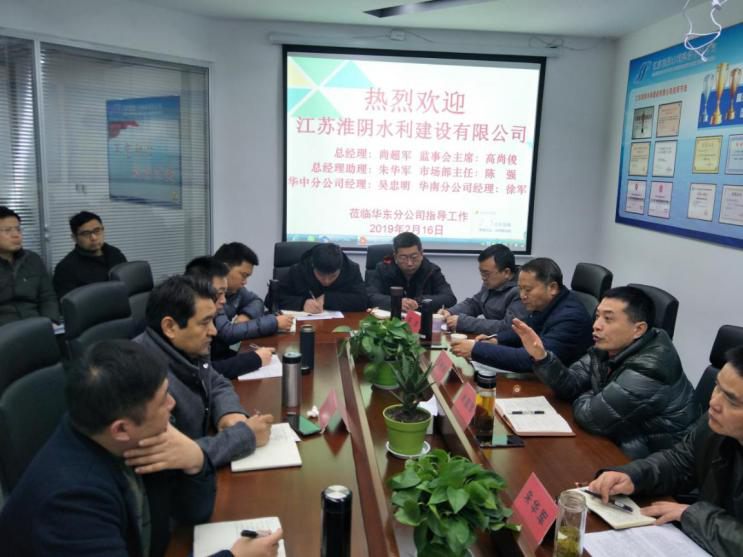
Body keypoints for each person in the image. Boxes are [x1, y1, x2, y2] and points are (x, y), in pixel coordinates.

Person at [0, 339, 282, 557]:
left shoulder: (130, 434)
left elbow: (193, 512)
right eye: (162, 400)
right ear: (121, 429)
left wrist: (195, 460)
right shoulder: (71, 504)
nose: (172, 404)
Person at [588, 345, 743, 556]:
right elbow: (680, 461)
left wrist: (694, 515)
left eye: (732, 400)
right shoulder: (714, 425)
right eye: (717, 387)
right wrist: (633, 476)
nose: (714, 402)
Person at [510, 286, 699, 458]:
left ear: (638, 329)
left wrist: (591, 394)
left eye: (608, 319)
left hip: (656, 463)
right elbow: (571, 384)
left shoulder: (651, 368)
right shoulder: (608, 348)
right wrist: (542, 356)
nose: (596, 325)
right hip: (620, 441)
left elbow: (591, 418)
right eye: (597, 316)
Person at [134, 275, 273, 467]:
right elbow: (168, 457)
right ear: (170, 327)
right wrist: (245, 436)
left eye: (213, 320)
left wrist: (229, 414)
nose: (214, 331)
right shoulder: (143, 379)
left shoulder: (187, 347)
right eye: (205, 322)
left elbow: (215, 381)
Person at [451, 257, 592, 373]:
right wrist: (496, 340)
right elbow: (524, 332)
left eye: (528, 290)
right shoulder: (548, 304)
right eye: (520, 289)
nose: (522, 295)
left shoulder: (570, 318)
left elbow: (533, 358)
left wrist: (476, 349)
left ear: (552, 288)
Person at [185, 255, 274, 379]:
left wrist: (246, 314)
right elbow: (202, 372)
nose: (224, 301)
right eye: (219, 293)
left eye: (224, 293)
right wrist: (254, 359)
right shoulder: (186, 319)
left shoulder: (214, 306)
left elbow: (214, 360)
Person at [213, 242, 293, 344]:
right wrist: (274, 323)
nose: (245, 282)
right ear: (224, 269)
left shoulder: (236, 289)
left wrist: (247, 315)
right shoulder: (209, 292)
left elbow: (257, 301)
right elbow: (226, 333)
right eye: (243, 275)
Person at [438, 243, 525, 335]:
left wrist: (463, 323)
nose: (483, 278)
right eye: (481, 273)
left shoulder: (522, 291)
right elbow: (474, 304)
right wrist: (450, 312)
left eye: (486, 273)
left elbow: (508, 327)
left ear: (506, 272)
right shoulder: (492, 283)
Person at [0, 206, 60, 326]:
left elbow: (47, 297)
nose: (16, 235)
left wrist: (51, 321)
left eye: (18, 229)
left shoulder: (33, 259)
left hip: (35, 326)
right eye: (7, 230)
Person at [366, 232, 456, 312]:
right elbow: (369, 295)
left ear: (421, 254)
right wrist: (396, 302)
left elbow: (449, 297)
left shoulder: (431, 270)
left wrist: (419, 302)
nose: (409, 263)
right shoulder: (383, 269)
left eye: (414, 257)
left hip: (422, 321)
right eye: (403, 258)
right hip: (389, 320)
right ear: (395, 257)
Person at [52, 211, 127, 299]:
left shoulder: (115, 253)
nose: (94, 238)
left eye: (97, 231)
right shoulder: (66, 268)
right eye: (86, 234)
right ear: (74, 238)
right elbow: (68, 304)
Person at [277, 242, 367, 313]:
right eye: (321, 275)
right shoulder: (299, 270)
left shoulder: (351, 270)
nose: (326, 281)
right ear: (313, 266)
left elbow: (363, 301)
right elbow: (274, 298)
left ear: (341, 268)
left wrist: (328, 299)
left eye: (333, 276)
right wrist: (302, 303)